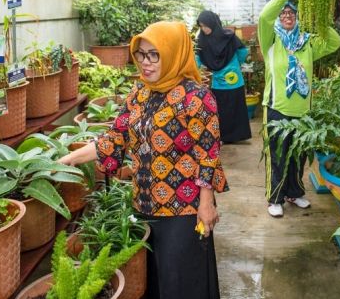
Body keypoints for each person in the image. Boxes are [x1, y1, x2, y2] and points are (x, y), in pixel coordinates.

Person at [58, 22, 227, 299]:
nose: (145, 63)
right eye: (140, 54)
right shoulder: (140, 93)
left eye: (154, 55)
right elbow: (116, 137)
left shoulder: (197, 98)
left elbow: (207, 155)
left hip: (183, 209)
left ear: (173, 53)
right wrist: (70, 158)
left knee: (182, 281)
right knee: (156, 280)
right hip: (146, 202)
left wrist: (206, 205)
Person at [258, 0, 340, 218]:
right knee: (277, 156)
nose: (287, 16)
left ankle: (294, 193)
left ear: (297, 18)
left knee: (298, 155)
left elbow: (334, 42)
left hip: (302, 112)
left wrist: (319, 22)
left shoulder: (308, 43)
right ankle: (275, 198)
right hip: (276, 108)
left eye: (291, 13)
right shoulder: (271, 42)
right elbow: (264, 17)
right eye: (283, 13)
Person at [196, 10, 252, 143]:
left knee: (236, 109)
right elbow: (197, 58)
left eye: (205, 25)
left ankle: (237, 136)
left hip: (234, 81)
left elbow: (242, 50)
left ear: (212, 23)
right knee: (221, 111)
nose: (203, 29)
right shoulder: (202, 40)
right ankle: (223, 137)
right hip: (218, 83)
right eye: (201, 26)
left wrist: (235, 63)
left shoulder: (229, 36)